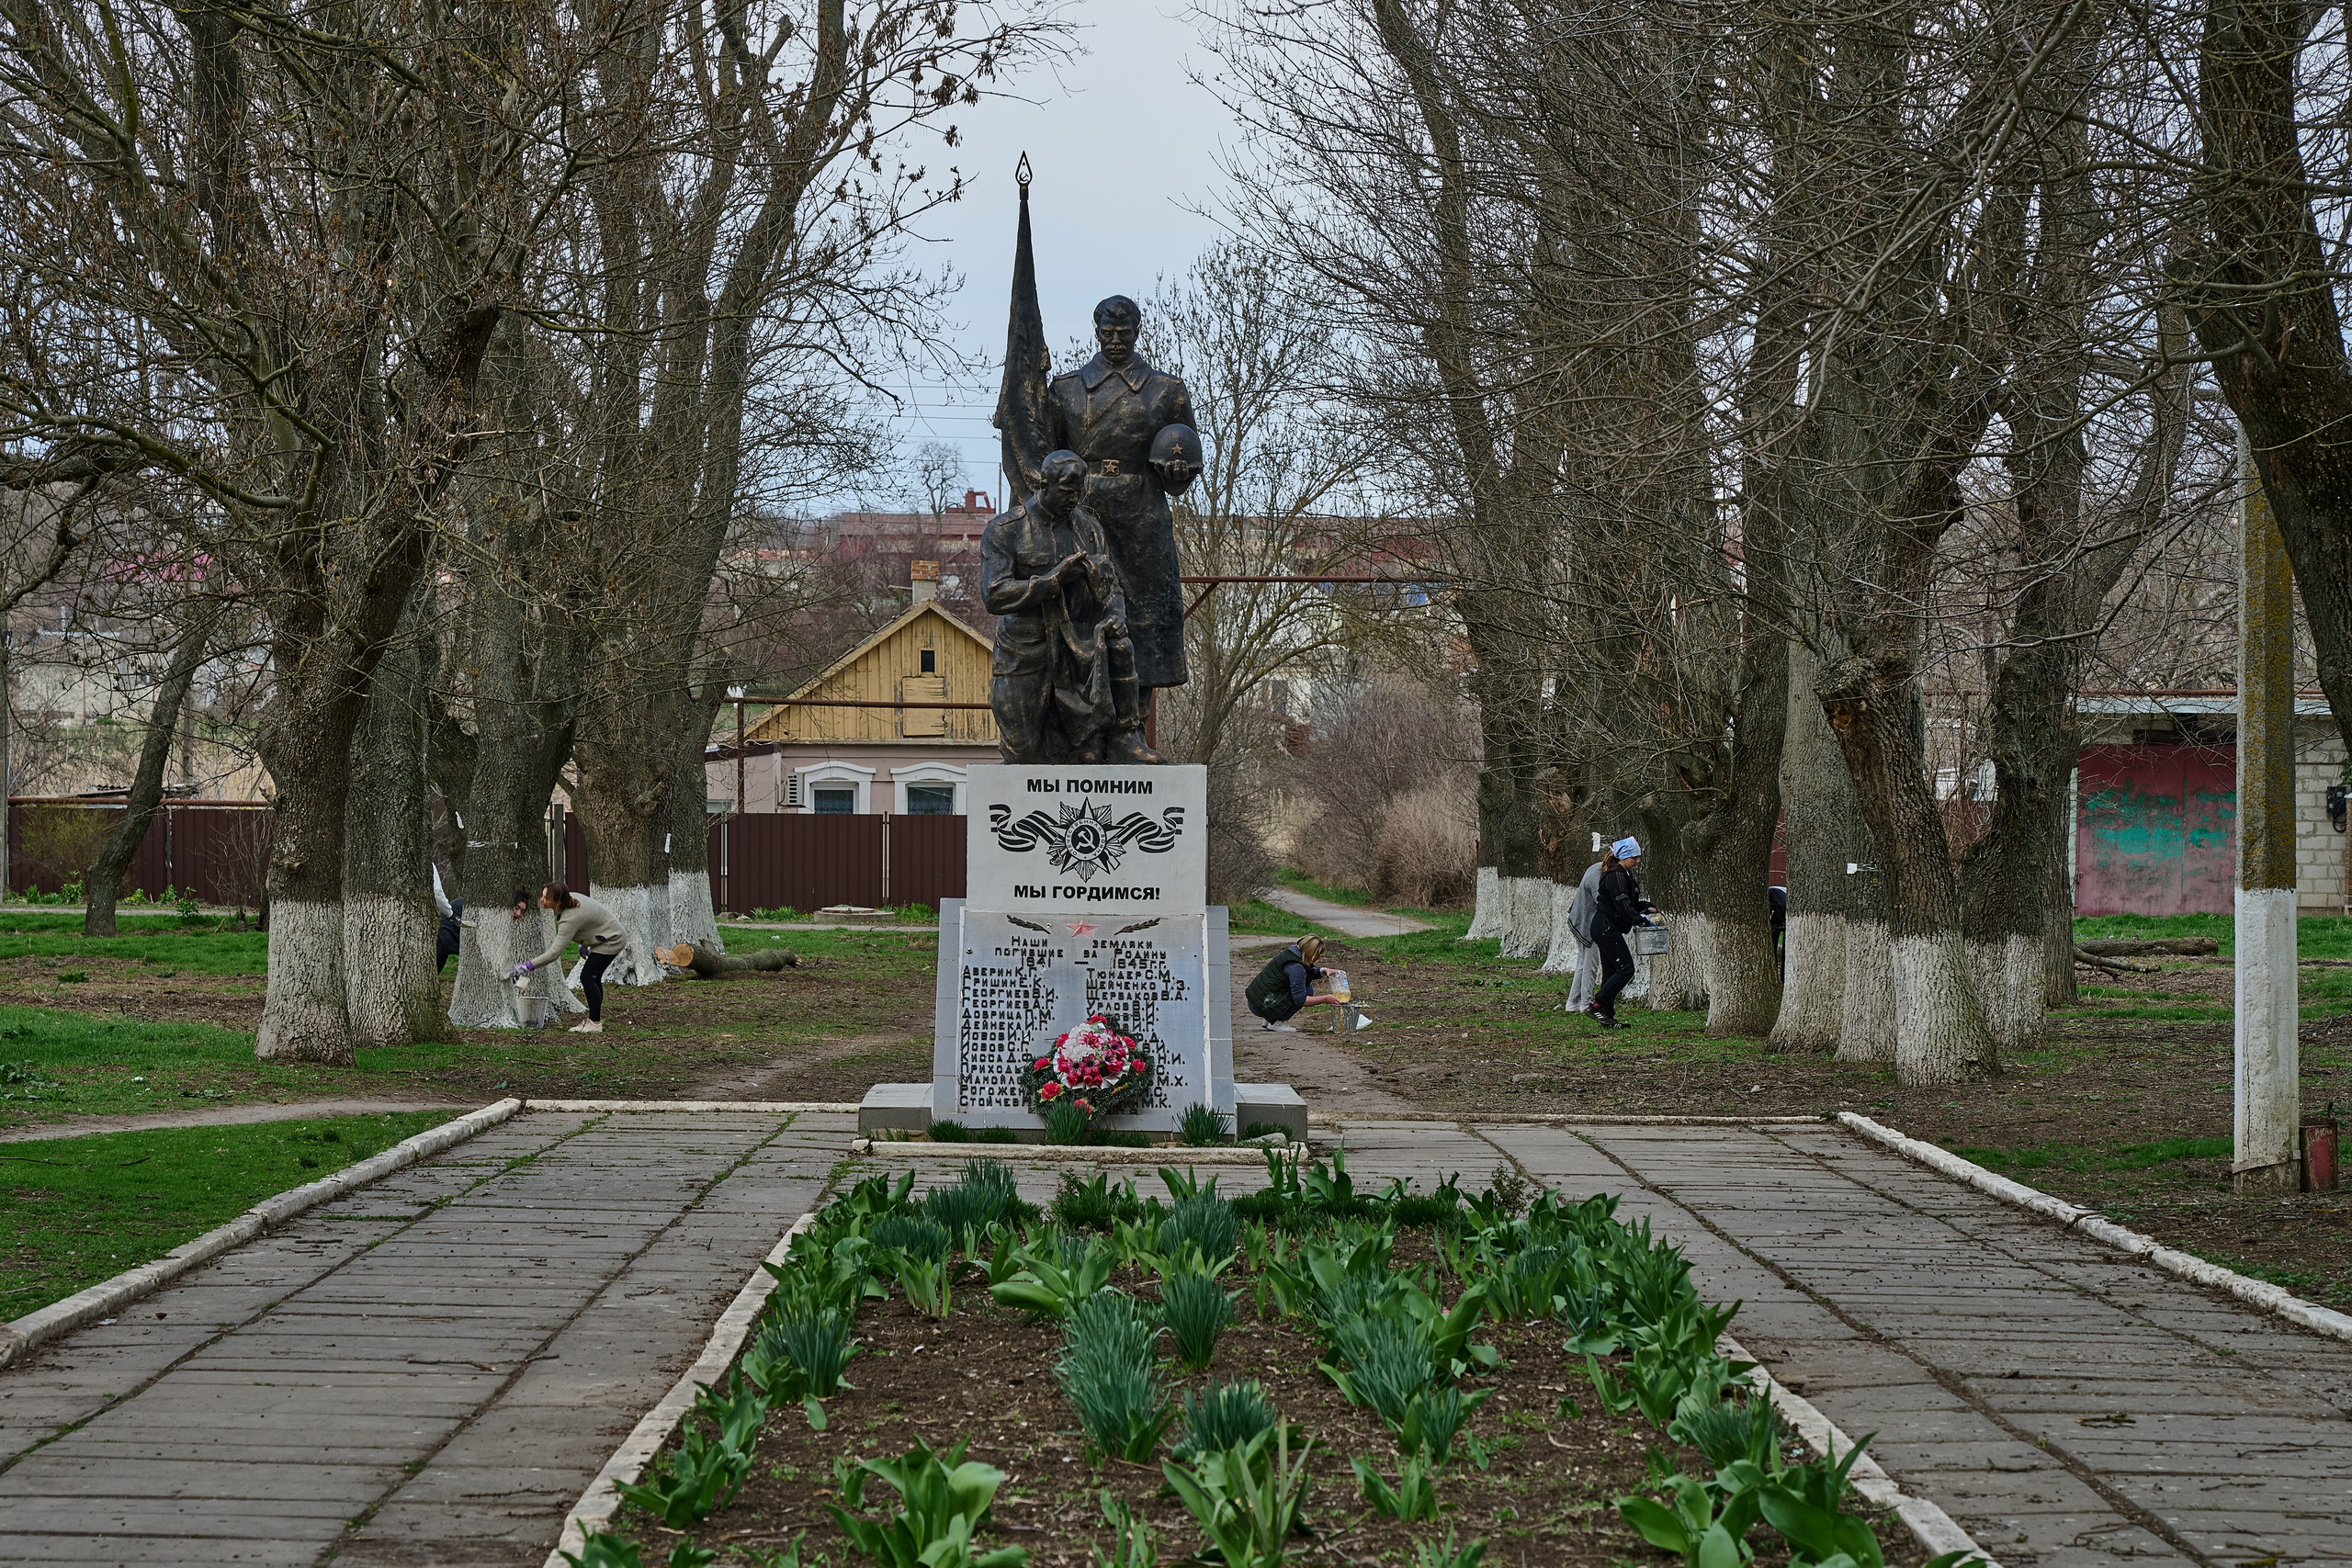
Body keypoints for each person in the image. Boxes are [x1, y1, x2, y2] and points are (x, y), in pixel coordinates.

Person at [1043, 295, 1198, 705]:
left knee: (1143, 619)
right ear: (1096, 333)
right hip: (1083, 513)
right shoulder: (1065, 390)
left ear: (1137, 332)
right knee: (1081, 611)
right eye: (1108, 333)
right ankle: (1080, 721)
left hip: (1142, 517)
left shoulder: (1166, 392)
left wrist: (1178, 476)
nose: (1115, 341)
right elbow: (1048, 461)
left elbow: (1183, 465)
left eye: (1123, 333)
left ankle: (1133, 718)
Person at [982, 448, 1160, 763]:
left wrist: (1116, 613)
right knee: (1022, 753)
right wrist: (1052, 581)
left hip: (1080, 650)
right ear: (1044, 485)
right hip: (1026, 652)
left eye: (1079, 491)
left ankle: (1124, 738)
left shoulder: (1088, 528)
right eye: (1067, 490)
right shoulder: (1006, 530)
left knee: (1086, 754)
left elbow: (1112, 585)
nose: (1074, 498)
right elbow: (995, 594)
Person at [509, 883, 628, 1033]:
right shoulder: (570, 899)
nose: (542, 900)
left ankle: (595, 1023)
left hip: (613, 940)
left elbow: (554, 953)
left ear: (557, 902)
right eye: (543, 895)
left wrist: (527, 966)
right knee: (593, 978)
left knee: (588, 977)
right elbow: (589, 919)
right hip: (603, 937)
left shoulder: (568, 919)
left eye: (546, 897)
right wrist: (585, 942)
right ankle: (594, 1020)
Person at [1585, 838, 1660, 1030]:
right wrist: (1642, 921)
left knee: (1611, 973)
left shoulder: (1625, 875)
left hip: (1607, 927)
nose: (1637, 861)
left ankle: (1607, 1018)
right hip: (1606, 927)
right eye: (1635, 857)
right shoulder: (1616, 876)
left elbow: (1630, 904)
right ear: (1625, 857)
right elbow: (1623, 906)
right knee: (1626, 969)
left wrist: (1646, 907)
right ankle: (1597, 1005)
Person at [1245, 935, 1348, 1032]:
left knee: (1305, 989)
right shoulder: (1296, 967)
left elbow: (1305, 974)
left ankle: (1270, 1018)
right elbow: (1300, 1000)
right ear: (1310, 952)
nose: (1319, 958)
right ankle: (1277, 1022)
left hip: (1258, 999)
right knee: (1308, 991)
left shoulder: (1292, 953)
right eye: (1317, 954)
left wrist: (1323, 971)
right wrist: (1326, 999)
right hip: (1261, 1005)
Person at [1565, 855, 1606, 1013]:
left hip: (1578, 919)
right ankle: (1585, 1003)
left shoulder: (1596, 868)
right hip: (1587, 924)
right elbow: (1601, 901)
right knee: (1590, 964)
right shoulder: (1597, 874)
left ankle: (1573, 1001)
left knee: (1582, 963)